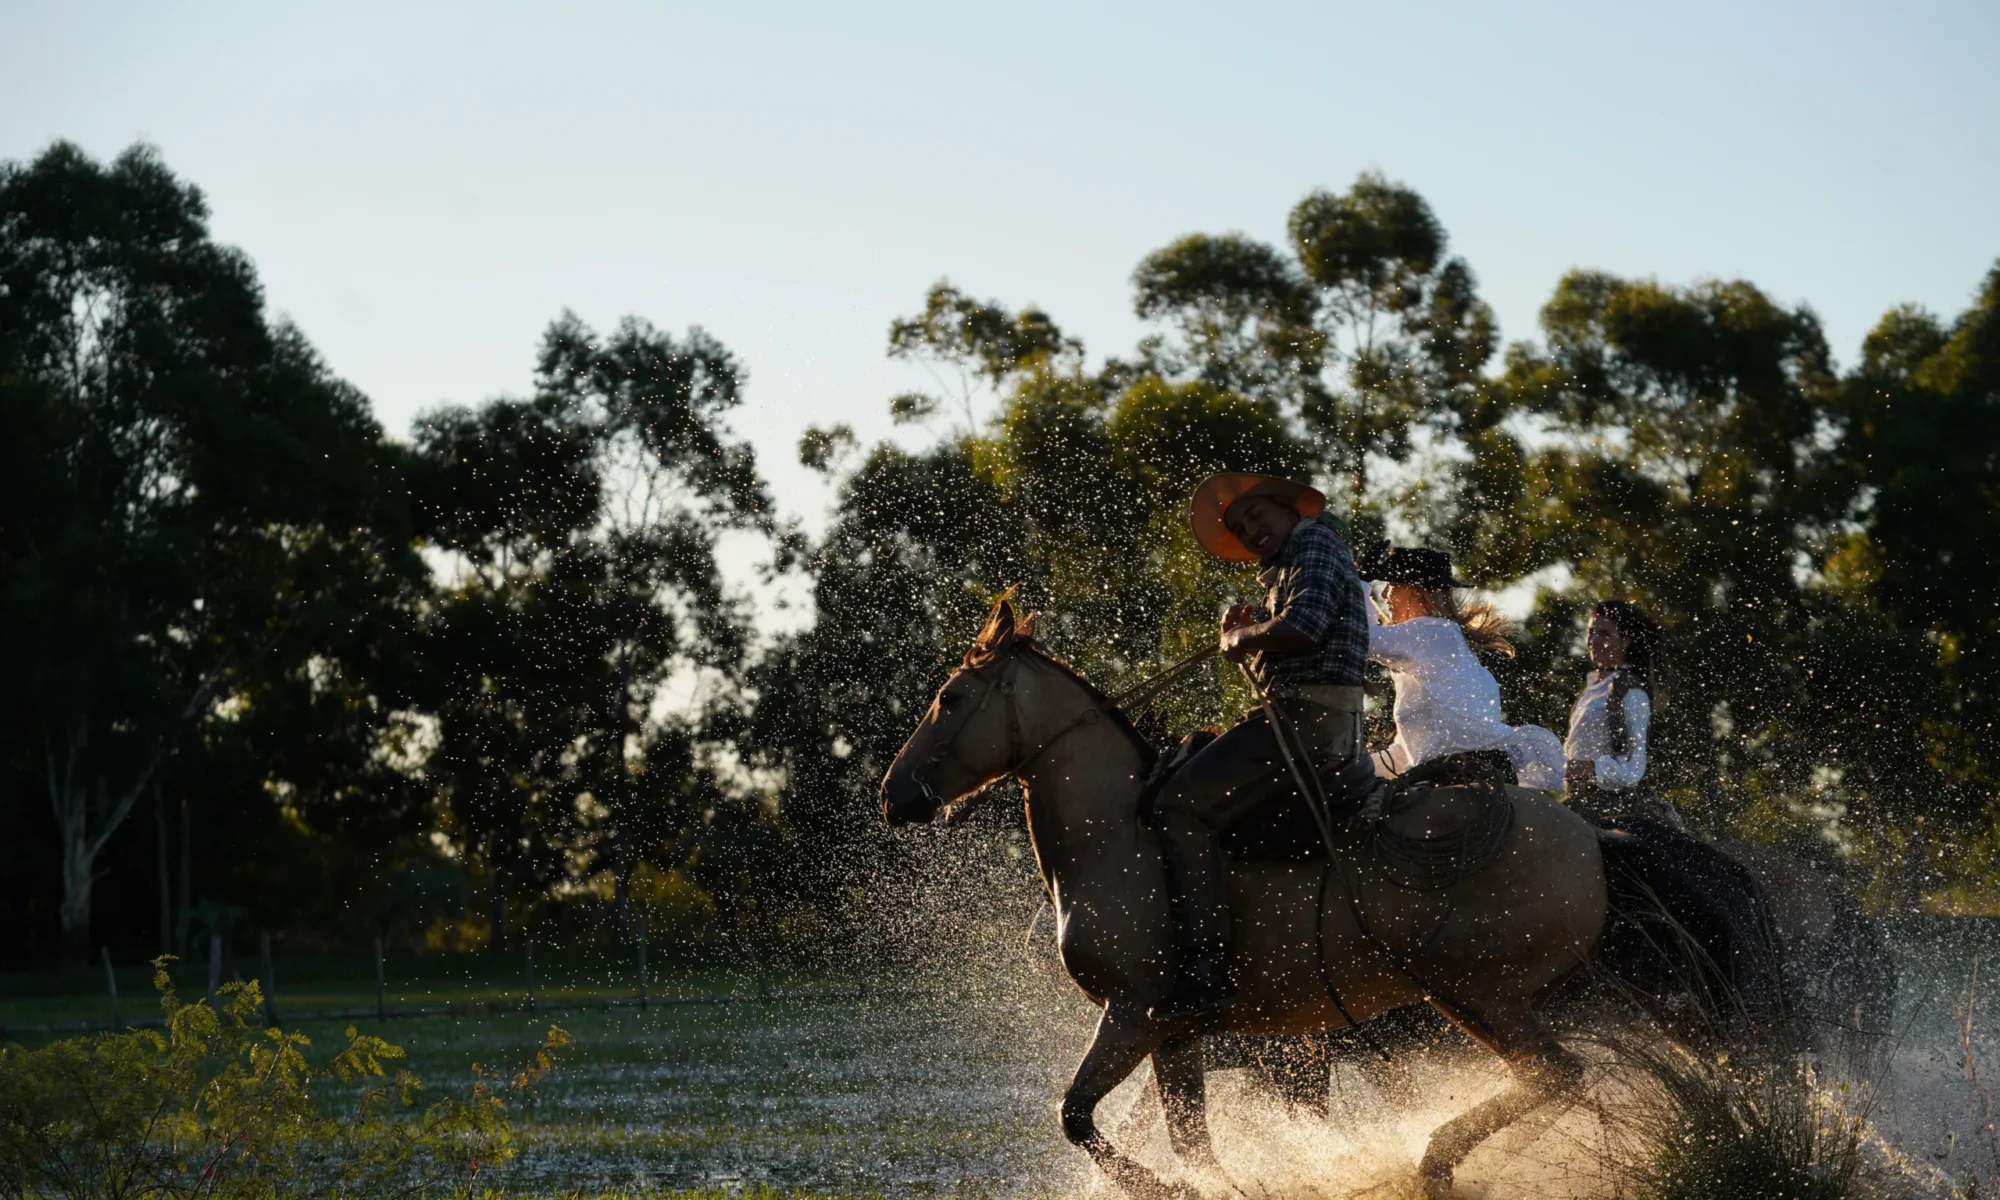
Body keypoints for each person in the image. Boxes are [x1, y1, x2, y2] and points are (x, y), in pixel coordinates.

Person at [1149, 472, 1370, 1021]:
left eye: (1256, 516)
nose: (1251, 531)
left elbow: (1306, 626)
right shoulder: (1292, 560)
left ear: (1288, 509)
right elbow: (1296, 628)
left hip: (1306, 719)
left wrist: (1241, 638)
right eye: (1241, 528)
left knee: (1176, 805)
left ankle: (1205, 967)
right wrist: (1256, 629)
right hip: (1311, 717)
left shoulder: (1313, 540)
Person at [1362, 547, 1567, 790]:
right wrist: (1357, 768)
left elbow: (1362, 638)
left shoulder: (1430, 632)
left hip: (1451, 778)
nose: (1384, 595)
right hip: (1466, 772)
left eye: (1392, 586)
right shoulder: (1442, 637)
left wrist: (1361, 584)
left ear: (1416, 591)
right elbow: (1404, 754)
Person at [1564, 599, 1672, 827]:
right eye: (1591, 632)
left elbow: (1634, 769)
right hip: (1578, 800)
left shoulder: (1631, 691)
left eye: (1604, 634)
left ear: (1626, 641)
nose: (1594, 640)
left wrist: (1589, 768)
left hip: (1611, 808)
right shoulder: (1591, 691)